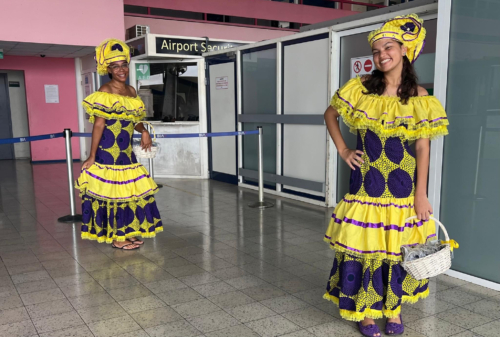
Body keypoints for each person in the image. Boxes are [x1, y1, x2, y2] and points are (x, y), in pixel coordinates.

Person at [323, 15, 448, 336]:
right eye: (376, 50)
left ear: (405, 51)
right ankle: (365, 313)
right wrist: (343, 151)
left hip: (403, 188)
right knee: (365, 248)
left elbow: (423, 149)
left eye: (388, 47)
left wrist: (421, 194)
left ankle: (392, 311)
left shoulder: (420, 96)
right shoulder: (361, 88)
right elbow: (330, 113)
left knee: (396, 250)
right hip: (366, 186)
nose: (381, 55)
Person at [75, 39, 163, 250]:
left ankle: (128, 231)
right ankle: (117, 237)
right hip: (107, 152)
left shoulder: (132, 92)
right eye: (116, 66)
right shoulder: (105, 90)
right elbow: (98, 125)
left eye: (124, 64)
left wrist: (143, 132)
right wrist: (92, 155)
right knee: (113, 194)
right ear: (108, 69)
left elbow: (135, 120)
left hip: (125, 153)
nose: (121, 69)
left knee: (128, 193)